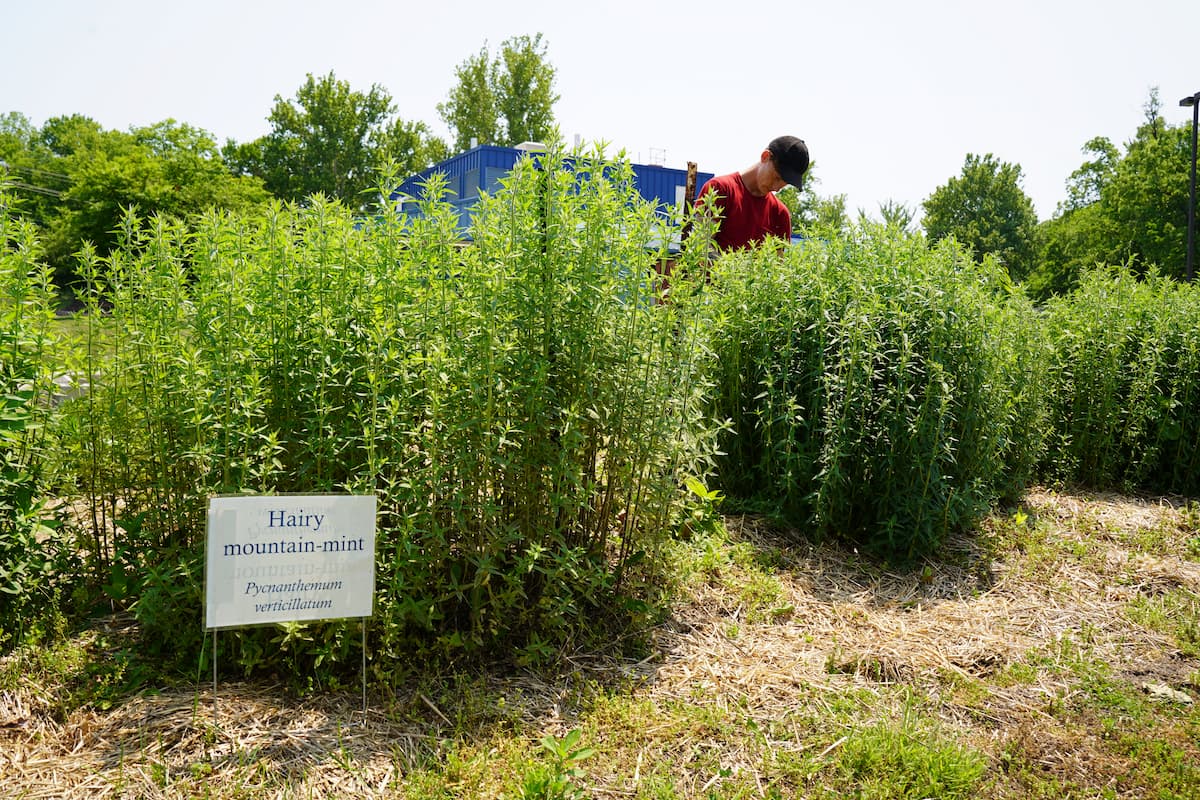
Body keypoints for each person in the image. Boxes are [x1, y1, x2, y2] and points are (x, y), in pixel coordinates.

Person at [693, 135, 809, 252]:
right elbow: (701, 246)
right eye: (777, 178)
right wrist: (735, 269)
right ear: (765, 157)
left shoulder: (780, 214)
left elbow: (777, 264)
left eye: (785, 184)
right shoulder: (719, 189)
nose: (777, 188)